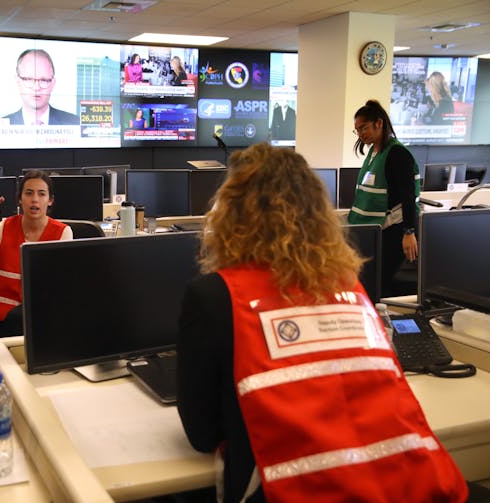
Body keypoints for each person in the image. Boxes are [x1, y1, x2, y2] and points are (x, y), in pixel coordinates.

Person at [177, 143, 468, 503]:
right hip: (404, 486)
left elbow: (203, 435)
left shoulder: (215, 296)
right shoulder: (351, 288)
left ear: (229, 214)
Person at [0, 170, 73, 336]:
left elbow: (62, 283)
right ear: (20, 199)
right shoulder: (6, 225)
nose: (35, 199)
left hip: (36, 316)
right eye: (29, 193)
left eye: (42, 194)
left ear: (50, 200)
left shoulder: (63, 232)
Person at [347, 99, 420, 298]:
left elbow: (408, 196)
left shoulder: (397, 153)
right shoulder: (374, 152)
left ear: (379, 123)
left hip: (395, 230)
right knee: (370, 280)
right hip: (378, 228)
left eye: (364, 128)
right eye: (357, 130)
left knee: (379, 283)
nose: (360, 134)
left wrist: (409, 231)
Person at [3, 49, 80, 126]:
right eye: (29, 79)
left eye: (43, 80)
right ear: (18, 82)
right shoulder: (1, 127)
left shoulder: (76, 123)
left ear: (53, 84)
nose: (36, 88)